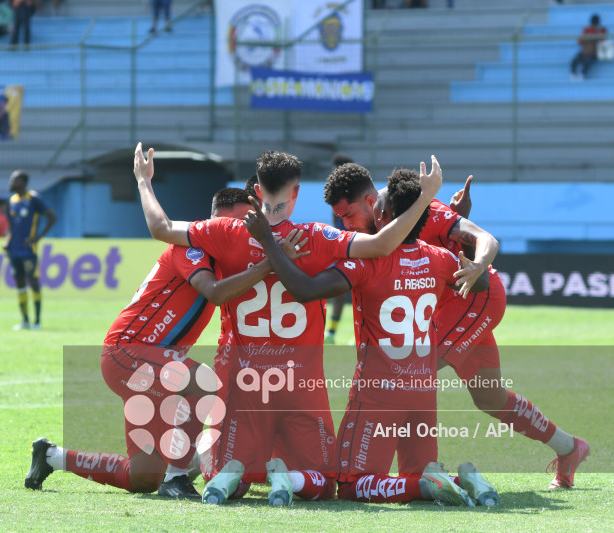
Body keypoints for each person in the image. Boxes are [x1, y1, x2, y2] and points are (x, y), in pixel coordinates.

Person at [133, 143, 441, 505]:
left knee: (235, 475)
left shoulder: (227, 232)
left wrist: (144, 181)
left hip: (246, 381)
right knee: (324, 485)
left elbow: (161, 226)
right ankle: (285, 479)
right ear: (296, 192)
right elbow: (381, 244)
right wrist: (424, 199)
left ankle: (231, 475)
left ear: (257, 191)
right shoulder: (315, 236)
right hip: (300, 383)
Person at [23, 188, 306, 499]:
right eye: (235, 223)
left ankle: (52, 456)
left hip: (153, 364)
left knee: (143, 477)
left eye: (245, 225)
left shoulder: (226, 256)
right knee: (204, 382)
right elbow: (213, 292)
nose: (240, 232)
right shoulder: (192, 248)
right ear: (214, 221)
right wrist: (268, 264)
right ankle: (178, 476)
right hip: (128, 352)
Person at [245, 164, 496, 507]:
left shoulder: (365, 262)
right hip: (423, 389)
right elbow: (480, 282)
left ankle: (428, 485)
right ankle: (457, 481)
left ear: (383, 213)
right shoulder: (437, 258)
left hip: (378, 393)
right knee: (414, 474)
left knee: (350, 486)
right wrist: (462, 257)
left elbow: (305, 289)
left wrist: (267, 244)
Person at [324, 169, 590, 490]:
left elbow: (485, 238)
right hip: (449, 305)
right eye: (340, 219)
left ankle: (403, 472)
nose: (347, 225)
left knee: (405, 369)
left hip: (474, 297)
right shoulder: (389, 214)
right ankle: (569, 448)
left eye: (349, 215)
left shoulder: (424, 209)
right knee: (490, 398)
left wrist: (477, 264)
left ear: (372, 204)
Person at [4, 170, 56, 330]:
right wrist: (7, 242)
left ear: (23, 182)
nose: (11, 182)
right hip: (14, 250)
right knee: (19, 283)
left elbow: (52, 216)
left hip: (28, 250)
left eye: (14, 180)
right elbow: (12, 226)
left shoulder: (33, 198)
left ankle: (37, 321)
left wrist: (37, 238)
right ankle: (25, 320)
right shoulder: (12, 200)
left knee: (33, 282)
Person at [324, 153, 354, 345]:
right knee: (337, 292)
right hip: (340, 246)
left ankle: (363, 334)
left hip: (355, 243)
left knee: (361, 289)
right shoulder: (334, 193)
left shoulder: (355, 192)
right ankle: (331, 333)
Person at [570, 14, 607, 81]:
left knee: (587, 61)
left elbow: (603, 41)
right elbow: (580, 42)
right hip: (585, 51)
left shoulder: (602, 30)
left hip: (594, 53)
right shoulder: (587, 30)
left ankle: (582, 74)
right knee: (574, 60)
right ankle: (573, 74)